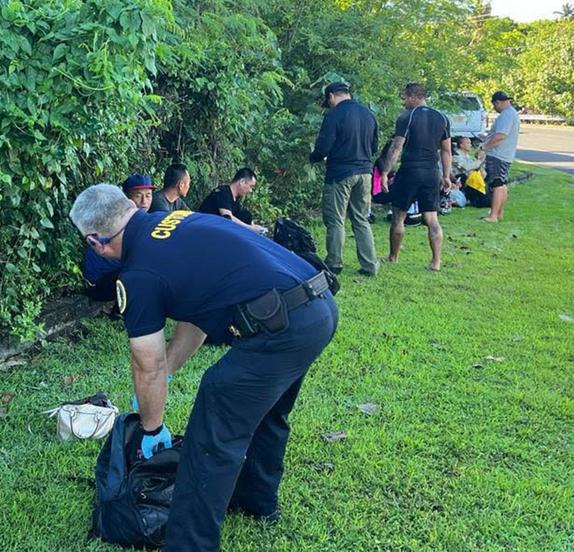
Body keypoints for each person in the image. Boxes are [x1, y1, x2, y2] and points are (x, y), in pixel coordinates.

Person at [70, 185, 338, 551]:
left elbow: (146, 363)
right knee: (268, 413)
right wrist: (168, 371)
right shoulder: (177, 220)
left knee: (211, 431)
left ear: (94, 241)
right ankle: (255, 501)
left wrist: (152, 428)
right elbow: (197, 315)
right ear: (129, 207)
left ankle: (189, 544)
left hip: (281, 325)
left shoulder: (138, 275)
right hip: (316, 306)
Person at [310, 81, 380, 276]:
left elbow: (323, 147)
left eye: (328, 100)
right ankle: (370, 265)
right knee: (361, 218)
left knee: (335, 219)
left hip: (340, 173)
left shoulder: (334, 115)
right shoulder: (368, 114)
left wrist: (314, 157)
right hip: (365, 172)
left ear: (332, 96)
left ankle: (334, 263)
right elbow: (374, 146)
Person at [380, 83, 452, 271]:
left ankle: (393, 256)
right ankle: (436, 262)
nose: (403, 102)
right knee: (432, 218)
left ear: (413, 96)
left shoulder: (406, 117)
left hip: (410, 171)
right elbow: (446, 151)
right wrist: (446, 175)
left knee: (399, 216)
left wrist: (386, 171)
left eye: (404, 97)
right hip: (431, 172)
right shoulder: (442, 118)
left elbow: (396, 147)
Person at [478, 91, 520, 222]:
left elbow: (500, 135)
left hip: (498, 155)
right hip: (505, 154)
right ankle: (499, 213)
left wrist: (484, 147)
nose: (494, 109)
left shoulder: (506, 115)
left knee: (496, 184)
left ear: (497, 102)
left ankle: (493, 215)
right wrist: (486, 137)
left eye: (494, 105)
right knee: (502, 183)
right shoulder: (512, 113)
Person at [197, 167, 266, 233]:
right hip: (203, 228)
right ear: (242, 181)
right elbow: (228, 217)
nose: (250, 190)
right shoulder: (222, 192)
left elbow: (241, 217)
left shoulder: (236, 200)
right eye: (251, 186)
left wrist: (254, 226)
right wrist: (250, 228)